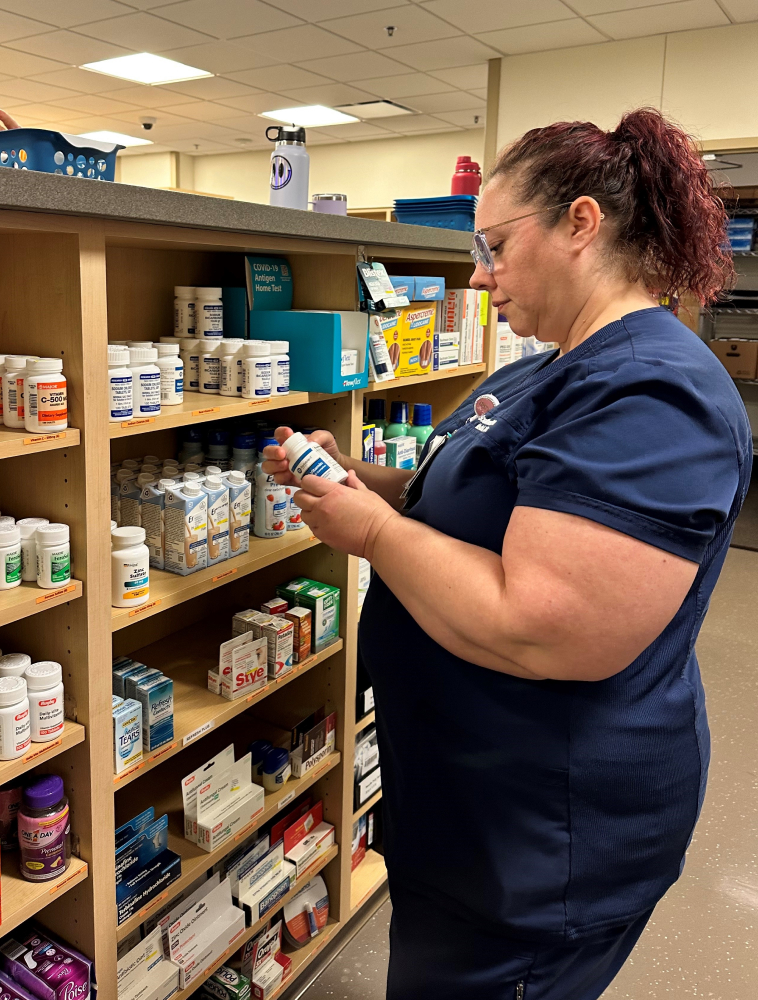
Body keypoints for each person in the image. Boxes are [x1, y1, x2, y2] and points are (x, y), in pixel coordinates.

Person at [263, 108, 752, 1000]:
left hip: (543, 844)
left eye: (492, 245)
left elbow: (545, 630)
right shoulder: (547, 364)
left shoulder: (652, 391)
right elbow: (467, 499)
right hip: (471, 809)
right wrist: (361, 481)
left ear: (580, 224)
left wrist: (368, 535)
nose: (475, 273)